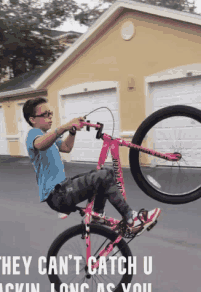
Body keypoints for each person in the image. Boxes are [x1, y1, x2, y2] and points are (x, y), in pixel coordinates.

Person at [24, 97, 161, 236]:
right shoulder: (33, 134)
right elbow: (40, 145)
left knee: (105, 174)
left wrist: (71, 131)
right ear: (32, 120)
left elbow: (66, 147)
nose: (49, 117)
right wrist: (64, 127)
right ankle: (132, 221)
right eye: (45, 115)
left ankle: (97, 215)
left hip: (64, 188)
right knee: (103, 176)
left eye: (50, 113)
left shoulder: (49, 136)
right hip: (57, 195)